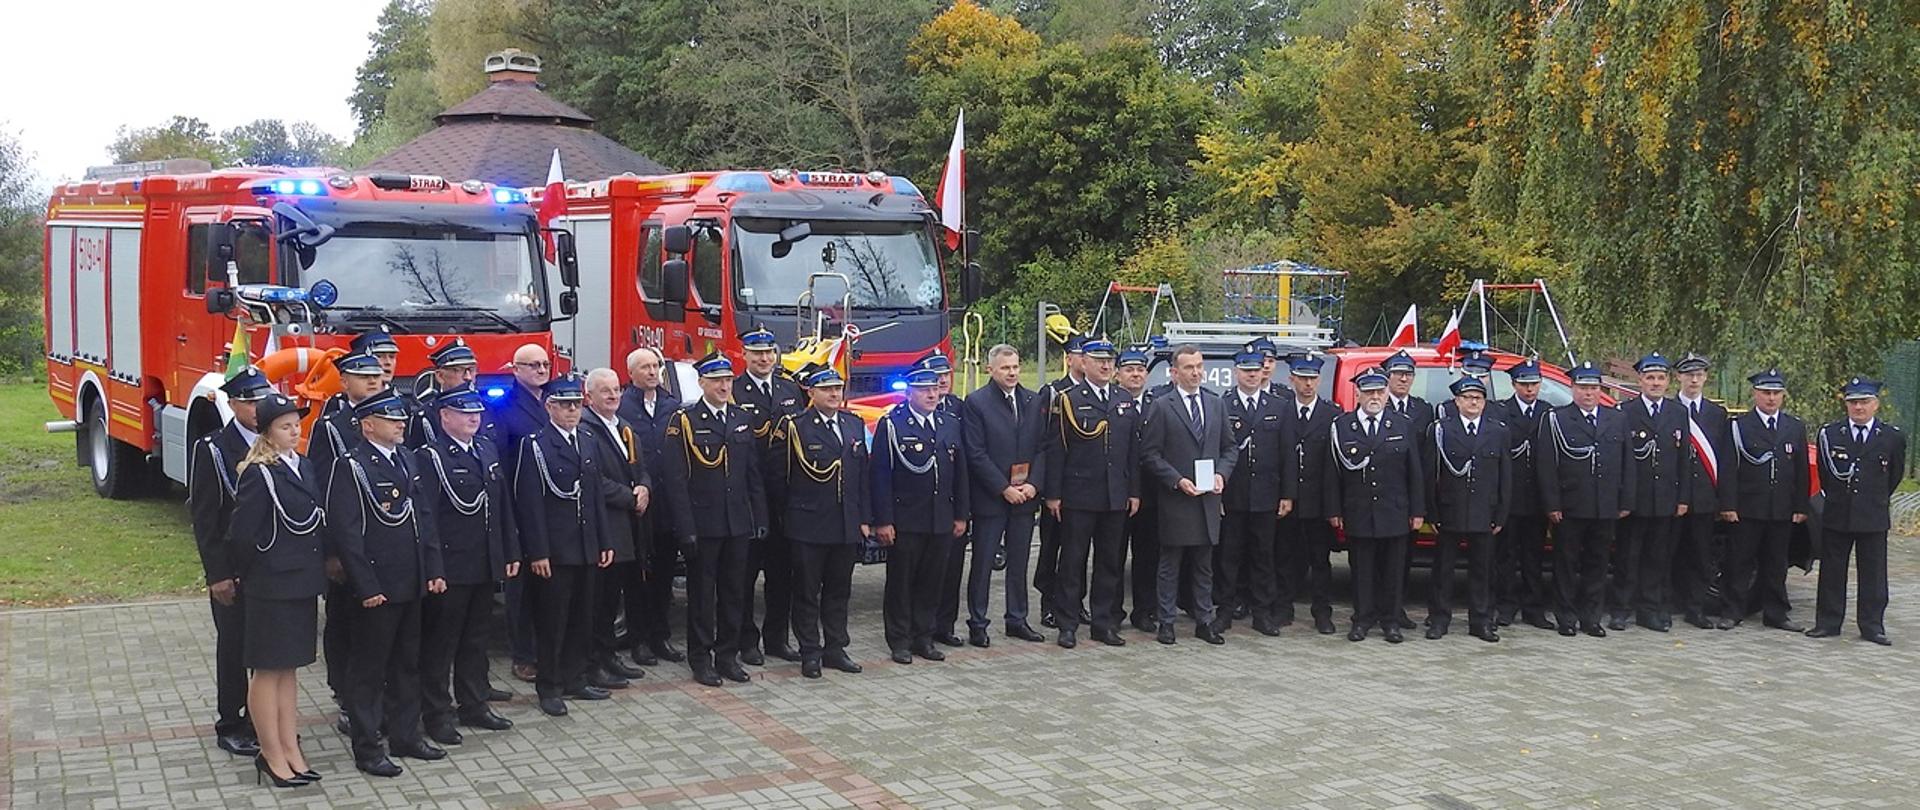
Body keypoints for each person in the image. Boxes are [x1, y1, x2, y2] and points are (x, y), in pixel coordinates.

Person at [325, 388, 447, 777]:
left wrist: (433, 569)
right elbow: (347, 533)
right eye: (391, 420)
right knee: (368, 670)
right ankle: (367, 747)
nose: (401, 424)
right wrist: (366, 585)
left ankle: (405, 735)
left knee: (407, 664)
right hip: (378, 585)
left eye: (401, 419)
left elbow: (423, 518)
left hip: (410, 579)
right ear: (368, 425)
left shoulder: (406, 458)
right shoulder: (353, 466)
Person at [228, 393, 327, 788]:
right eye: (285, 427)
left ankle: (291, 748)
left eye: (296, 425)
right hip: (271, 584)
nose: (294, 432)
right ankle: (270, 753)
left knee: (288, 670)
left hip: (301, 580)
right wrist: (256, 574)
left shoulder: (302, 465)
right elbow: (242, 534)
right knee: (268, 671)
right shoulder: (259, 473)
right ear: (267, 432)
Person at [416, 385, 520, 745]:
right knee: (441, 644)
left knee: (476, 640)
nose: (474, 418)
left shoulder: (485, 449)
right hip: (451, 565)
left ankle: (474, 703)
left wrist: (509, 551)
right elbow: (427, 518)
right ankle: (437, 713)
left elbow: (501, 505)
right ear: (445, 417)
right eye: (464, 412)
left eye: (476, 412)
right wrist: (433, 567)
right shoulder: (431, 457)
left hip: (483, 561)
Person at [664, 353, 769, 687]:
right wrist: (685, 528)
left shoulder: (740, 418)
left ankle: (727, 655)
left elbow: (752, 474)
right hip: (703, 524)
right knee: (702, 596)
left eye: (727, 380)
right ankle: (701, 657)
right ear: (702, 383)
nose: (724, 386)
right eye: (716, 381)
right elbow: (676, 481)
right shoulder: (684, 421)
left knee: (734, 592)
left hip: (737, 523)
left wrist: (759, 515)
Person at [514, 374, 616, 714]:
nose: (572, 411)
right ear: (550, 407)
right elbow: (529, 502)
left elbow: (595, 495)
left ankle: (575, 678)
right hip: (556, 550)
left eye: (576, 405)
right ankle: (550, 686)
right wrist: (538, 551)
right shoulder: (536, 445)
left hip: (586, 545)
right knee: (552, 622)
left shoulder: (586, 440)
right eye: (564, 405)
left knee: (581, 618)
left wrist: (603, 540)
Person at [188, 368, 272, 758]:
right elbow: (205, 518)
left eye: (262, 401)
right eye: (250, 402)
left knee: (267, 646)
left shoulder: (276, 442)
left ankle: (263, 721)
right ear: (233, 404)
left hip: (270, 566)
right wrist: (217, 574)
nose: (257, 409)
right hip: (234, 569)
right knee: (235, 645)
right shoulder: (215, 449)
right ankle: (232, 721)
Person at [770, 365, 872, 677]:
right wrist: (790, 517)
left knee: (839, 591)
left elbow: (862, 477)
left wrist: (864, 518)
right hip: (809, 524)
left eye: (837, 388)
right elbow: (778, 479)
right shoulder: (795, 426)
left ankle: (835, 648)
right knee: (806, 592)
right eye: (826, 389)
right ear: (811, 393)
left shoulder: (853, 424)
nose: (833, 394)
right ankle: (810, 652)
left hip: (845, 524)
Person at [1042, 338, 1141, 648]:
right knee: (1073, 562)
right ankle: (1067, 624)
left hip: (1115, 495)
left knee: (1109, 563)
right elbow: (1056, 450)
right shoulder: (1069, 399)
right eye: (1099, 360)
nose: (1106, 365)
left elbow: (1132, 452)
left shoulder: (1123, 399)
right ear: (1083, 363)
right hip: (1079, 494)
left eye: (1109, 360)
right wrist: (1053, 494)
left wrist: (1134, 491)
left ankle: (1103, 623)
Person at [1138, 344, 1237, 646]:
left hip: (1208, 498)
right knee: (1170, 564)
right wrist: (1176, 480)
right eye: (1189, 367)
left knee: (1204, 565)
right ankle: (1166, 622)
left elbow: (1230, 448)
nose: (1196, 373)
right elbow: (1150, 453)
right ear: (1174, 372)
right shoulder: (1162, 406)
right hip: (1177, 498)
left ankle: (1204, 621)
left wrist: (1221, 474)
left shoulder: (1215, 403)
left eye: (1199, 366)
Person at [306, 351, 385, 731]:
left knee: (380, 630)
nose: (372, 381)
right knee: (345, 625)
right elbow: (322, 492)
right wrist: (331, 552)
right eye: (361, 375)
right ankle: (345, 696)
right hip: (349, 544)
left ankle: (378, 698)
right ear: (344, 381)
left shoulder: (393, 416)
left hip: (386, 543)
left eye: (376, 375)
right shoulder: (332, 427)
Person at [873, 360, 971, 663]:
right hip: (906, 518)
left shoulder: (949, 423)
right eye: (923, 389)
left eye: (934, 389)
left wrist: (961, 514)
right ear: (909, 393)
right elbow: (880, 476)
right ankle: (900, 640)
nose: (931, 394)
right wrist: (884, 520)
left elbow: (960, 473)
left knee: (932, 581)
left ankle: (923, 637)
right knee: (901, 583)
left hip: (940, 517)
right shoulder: (893, 424)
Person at [1538, 361, 1635, 638]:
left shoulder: (1616, 418)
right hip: (1570, 506)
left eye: (1593, 388)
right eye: (1582, 388)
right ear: (1572, 388)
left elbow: (1628, 462)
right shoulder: (1557, 418)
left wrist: (1625, 500)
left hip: (1605, 505)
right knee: (1566, 564)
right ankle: (1566, 617)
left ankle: (1591, 617)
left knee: (1598, 564)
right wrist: (1552, 504)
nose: (1588, 393)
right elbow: (1546, 465)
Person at [1329, 368, 1426, 643]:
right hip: (1358, 510)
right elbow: (1333, 473)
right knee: (1361, 570)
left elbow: (1414, 471)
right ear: (1357, 393)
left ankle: (1391, 621)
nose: (1374, 397)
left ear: (1386, 394)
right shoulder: (1342, 426)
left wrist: (1417, 510)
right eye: (1369, 391)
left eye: (1379, 392)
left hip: (1394, 510)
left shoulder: (1402, 424)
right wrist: (1334, 510)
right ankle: (1362, 619)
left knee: (1394, 571)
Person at [961, 344, 1048, 646]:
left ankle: (1017, 619)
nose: (1012, 373)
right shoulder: (976, 402)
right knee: (983, 563)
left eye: (1015, 367)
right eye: (1005, 368)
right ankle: (978, 623)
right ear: (991, 370)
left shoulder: (1033, 400)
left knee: (1020, 562)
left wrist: (1034, 484)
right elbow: (976, 453)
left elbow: (1043, 447)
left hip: (1025, 497)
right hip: (992, 499)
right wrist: (1003, 488)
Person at [1809, 377, 1905, 645]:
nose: (1859, 407)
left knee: (1873, 573)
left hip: (1872, 515)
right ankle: (1828, 623)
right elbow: (1827, 475)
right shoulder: (1831, 434)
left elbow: (1894, 475)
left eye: (1864, 402)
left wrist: (1873, 500)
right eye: (1853, 402)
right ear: (1846, 405)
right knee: (1832, 571)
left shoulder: (1892, 437)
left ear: (1876, 404)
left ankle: (1872, 626)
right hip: (1838, 513)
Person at [733, 327, 805, 665]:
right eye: (757, 353)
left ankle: (777, 639)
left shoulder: (790, 390)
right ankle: (746, 641)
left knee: (781, 574)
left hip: (784, 497)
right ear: (744, 355)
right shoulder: (734, 390)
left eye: (769, 353)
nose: (764, 359)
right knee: (744, 575)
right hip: (748, 497)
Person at [579, 367, 652, 689]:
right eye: (605, 391)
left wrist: (645, 487)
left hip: (630, 528)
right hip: (606, 527)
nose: (613, 396)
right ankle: (593, 664)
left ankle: (609, 657)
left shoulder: (623, 426)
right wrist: (629, 497)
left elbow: (641, 467)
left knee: (612, 600)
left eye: (616, 390)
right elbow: (593, 478)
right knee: (598, 602)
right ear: (589, 396)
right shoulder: (586, 429)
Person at [1720, 369, 1810, 632]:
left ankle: (1776, 614)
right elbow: (1728, 468)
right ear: (1755, 394)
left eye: (1776, 393)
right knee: (1739, 562)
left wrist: (1800, 506)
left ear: (1783, 396)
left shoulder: (1794, 427)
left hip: (1780, 508)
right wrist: (1728, 504)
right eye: (1766, 393)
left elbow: (1801, 471)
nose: (1771, 398)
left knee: (1776, 564)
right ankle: (1732, 612)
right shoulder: (1739, 426)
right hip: (1747, 507)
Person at [1426, 376, 1511, 642]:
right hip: (1450, 510)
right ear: (1457, 401)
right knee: (1443, 570)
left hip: (1484, 511)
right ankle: (1439, 619)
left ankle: (1481, 621)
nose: (1473, 402)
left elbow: (1504, 476)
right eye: (1467, 397)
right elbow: (1431, 475)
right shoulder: (1441, 430)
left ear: (1485, 402)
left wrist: (1501, 513)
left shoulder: (1498, 431)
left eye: (1478, 398)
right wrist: (1432, 512)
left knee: (1482, 570)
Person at [618, 346, 688, 667]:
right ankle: (638, 639)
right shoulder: (622, 407)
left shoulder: (673, 407)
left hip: (667, 504)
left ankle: (660, 637)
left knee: (663, 575)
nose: (651, 372)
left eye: (655, 366)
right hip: (636, 506)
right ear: (630, 373)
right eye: (644, 367)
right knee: (636, 577)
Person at [1613, 353, 1692, 632]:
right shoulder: (1625, 412)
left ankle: (1650, 610)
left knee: (1657, 559)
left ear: (1668, 381)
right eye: (1650, 378)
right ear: (1640, 381)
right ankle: (1621, 609)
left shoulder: (1678, 413)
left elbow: (1684, 459)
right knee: (1628, 557)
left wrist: (1683, 498)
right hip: (1635, 500)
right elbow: (1620, 460)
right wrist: (1623, 499)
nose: (1655, 383)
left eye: (1660, 378)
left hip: (1665, 499)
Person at [1218, 349, 1295, 635]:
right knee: (1228, 557)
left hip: (1266, 495)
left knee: (1263, 557)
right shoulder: (1222, 404)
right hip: (1233, 495)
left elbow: (1287, 453)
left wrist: (1287, 494)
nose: (1252, 375)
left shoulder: (1279, 406)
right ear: (1236, 372)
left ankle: (1262, 613)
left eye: (1256, 370)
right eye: (1246, 370)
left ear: (1263, 371)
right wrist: (1216, 493)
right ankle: (1225, 611)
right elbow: (1215, 451)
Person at [494, 343, 554, 684]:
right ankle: (524, 655)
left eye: (545, 364)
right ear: (516, 369)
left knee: (552, 587)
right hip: (520, 506)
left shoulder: (554, 399)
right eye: (533, 365)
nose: (541, 370)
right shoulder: (504, 407)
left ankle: (550, 651)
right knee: (523, 589)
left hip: (555, 508)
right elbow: (501, 463)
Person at [1671, 353, 1734, 629]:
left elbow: (1725, 460)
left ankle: (1695, 608)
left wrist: (1724, 500)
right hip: (1673, 497)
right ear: (1679, 377)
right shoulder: (1669, 409)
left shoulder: (1717, 415)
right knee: (1668, 552)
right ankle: (1666, 602)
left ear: (1706, 377)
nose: (1694, 380)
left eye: (1698, 375)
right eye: (1688, 375)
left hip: (1705, 498)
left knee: (1700, 555)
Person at [1278, 354, 1340, 635]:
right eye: (1302, 378)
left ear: (1320, 380)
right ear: (1292, 379)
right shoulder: (1281, 411)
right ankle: (1283, 607)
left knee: (1320, 560)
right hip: (1288, 499)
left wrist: (1333, 506)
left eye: (1312, 378)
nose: (1308, 384)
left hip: (1318, 501)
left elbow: (1335, 466)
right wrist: (1284, 494)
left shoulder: (1331, 414)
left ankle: (1322, 612)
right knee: (1284, 556)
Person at [1494, 360, 1555, 631]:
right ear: (1513, 385)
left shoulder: (1548, 412)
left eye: (1534, 384)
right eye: (1524, 384)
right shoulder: (1501, 411)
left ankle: (1533, 608)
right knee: (1505, 556)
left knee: (1534, 556)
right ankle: (1506, 606)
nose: (1530, 389)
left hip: (1538, 497)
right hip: (1510, 496)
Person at [1036, 335, 1087, 629]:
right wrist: (1048, 490)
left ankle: (1076, 603)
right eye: (1081, 355)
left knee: (1078, 551)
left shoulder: (1097, 392)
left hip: (1083, 489)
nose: (1086, 360)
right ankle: (1049, 604)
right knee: (1051, 548)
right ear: (1069, 359)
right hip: (1058, 485)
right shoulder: (1054, 392)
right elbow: (1044, 442)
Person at [1381, 350, 1432, 631]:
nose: (1403, 379)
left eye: (1408, 374)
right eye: (1398, 373)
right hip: (1380, 495)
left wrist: (1420, 503)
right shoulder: (1378, 404)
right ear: (1387, 377)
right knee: (1376, 558)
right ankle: (1373, 608)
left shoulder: (1423, 410)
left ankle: (1396, 608)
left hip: (1408, 495)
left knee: (1403, 559)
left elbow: (1425, 461)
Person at [926, 351, 973, 649]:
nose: (942, 380)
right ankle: (924, 627)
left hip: (953, 501)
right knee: (927, 573)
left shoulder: (959, 407)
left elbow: (966, 461)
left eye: (945, 374)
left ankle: (945, 626)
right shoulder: (907, 411)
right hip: (925, 505)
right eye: (935, 376)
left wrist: (964, 511)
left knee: (952, 569)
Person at [1116, 346, 1162, 632]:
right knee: (1114, 556)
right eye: (1129, 369)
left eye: (1140, 369)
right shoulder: (1111, 402)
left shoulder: (1158, 404)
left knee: (1148, 556)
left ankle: (1145, 610)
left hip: (1151, 493)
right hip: (1118, 493)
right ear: (1118, 374)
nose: (1136, 374)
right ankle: (1112, 611)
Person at [407, 339, 482, 449]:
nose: (468, 377)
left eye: (471, 370)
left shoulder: (489, 409)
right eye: (458, 370)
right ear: (440, 376)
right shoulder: (426, 416)